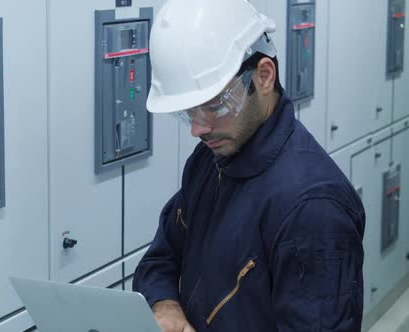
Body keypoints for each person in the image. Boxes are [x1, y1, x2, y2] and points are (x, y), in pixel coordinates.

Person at [132, 0, 366, 331]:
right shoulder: (210, 160)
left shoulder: (312, 209)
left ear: (264, 76)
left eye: (214, 106)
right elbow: (162, 255)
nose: (197, 128)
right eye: (187, 112)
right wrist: (164, 305)